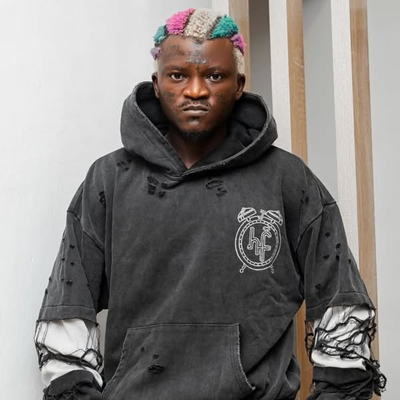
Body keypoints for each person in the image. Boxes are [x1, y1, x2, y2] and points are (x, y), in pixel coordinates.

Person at [34, 8, 386, 400]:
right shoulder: (109, 180)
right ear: (156, 84)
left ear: (239, 86)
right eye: (178, 75)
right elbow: (67, 316)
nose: (196, 90)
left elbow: (341, 310)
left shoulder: (287, 180)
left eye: (215, 76)